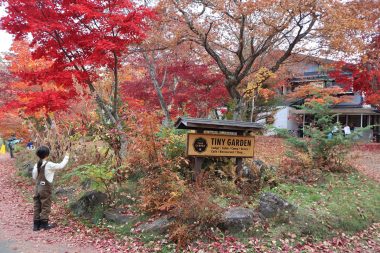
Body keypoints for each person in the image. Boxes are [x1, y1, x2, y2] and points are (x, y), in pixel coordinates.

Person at [32, 146, 69, 231]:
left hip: (37, 188)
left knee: (37, 205)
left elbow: (34, 177)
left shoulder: (36, 164)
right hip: (45, 188)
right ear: (47, 155)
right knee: (45, 204)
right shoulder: (49, 164)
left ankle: (36, 224)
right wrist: (66, 157)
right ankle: (44, 224)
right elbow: (61, 166)